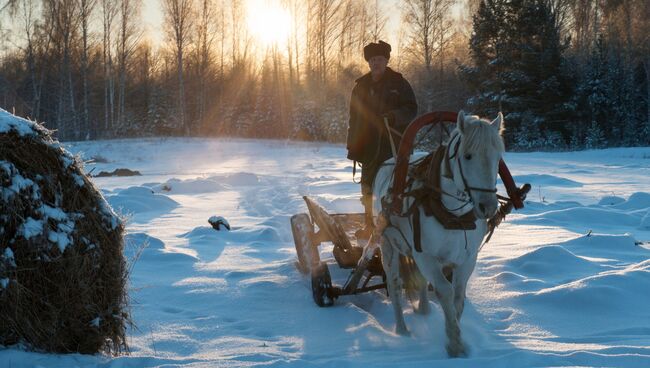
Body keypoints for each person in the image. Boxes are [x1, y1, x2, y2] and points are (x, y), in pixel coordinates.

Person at [346, 40, 418, 238]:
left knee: (396, 186)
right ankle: (370, 226)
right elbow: (354, 117)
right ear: (368, 62)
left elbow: (412, 109)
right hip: (368, 145)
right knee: (368, 187)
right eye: (372, 60)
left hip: (394, 144)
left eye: (379, 59)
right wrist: (352, 145)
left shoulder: (399, 83)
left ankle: (399, 227)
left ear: (386, 60)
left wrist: (394, 117)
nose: (375, 63)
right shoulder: (360, 87)